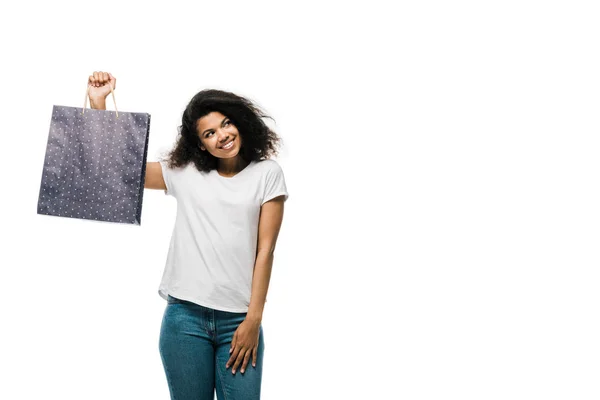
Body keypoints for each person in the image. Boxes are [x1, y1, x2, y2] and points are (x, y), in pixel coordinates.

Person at [88, 71, 289, 400]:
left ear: (239, 121)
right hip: (184, 319)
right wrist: (99, 103)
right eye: (210, 133)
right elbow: (122, 168)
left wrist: (254, 320)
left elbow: (265, 251)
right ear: (200, 143)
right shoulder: (186, 172)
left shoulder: (267, 173)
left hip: (239, 321)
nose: (222, 135)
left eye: (226, 123)